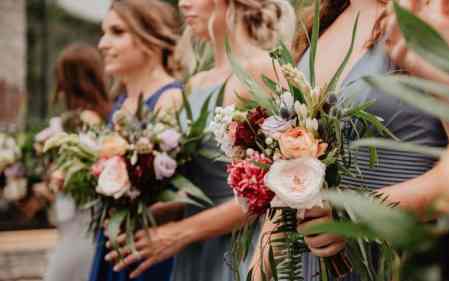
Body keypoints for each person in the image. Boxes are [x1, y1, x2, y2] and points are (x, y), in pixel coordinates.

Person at [253, 0, 449, 280]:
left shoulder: (443, 11)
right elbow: (286, 176)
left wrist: (356, 212)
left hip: (403, 260)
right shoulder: (325, 22)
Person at [104, 0, 295, 280]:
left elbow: (274, 187)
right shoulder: (196, 83)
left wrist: (180, 232)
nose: (183, 3)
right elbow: (203, 187)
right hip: (194, 253)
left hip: (241, 252)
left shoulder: (262, 69)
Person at [89, 1, 183, 280]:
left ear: (151, 38)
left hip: (149, 253)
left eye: (117, 32)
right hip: (114, 242)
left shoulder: (170, 99)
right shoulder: (120, 103)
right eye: (104, 32)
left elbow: (184, 194)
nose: (103, 43)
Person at [42, 43, 111, 281]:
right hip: (77, 222)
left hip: (83, 222)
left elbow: (88, 169)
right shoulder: (100, 114)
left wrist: (59, 176)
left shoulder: (87, 119)